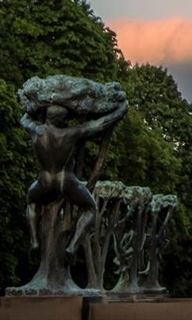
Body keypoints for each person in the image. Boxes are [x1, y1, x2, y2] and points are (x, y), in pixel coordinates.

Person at [22, 99, 129, 255]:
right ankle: (72, 246)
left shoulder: (36, 130)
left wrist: (32, 106)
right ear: (62, 120)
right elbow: (99, 125)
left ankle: (34, 240)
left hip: (44, 179)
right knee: (91, 208)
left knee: (31, 202)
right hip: (64, 179)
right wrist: (119, 112)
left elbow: (23, 119)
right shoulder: (70, 133)